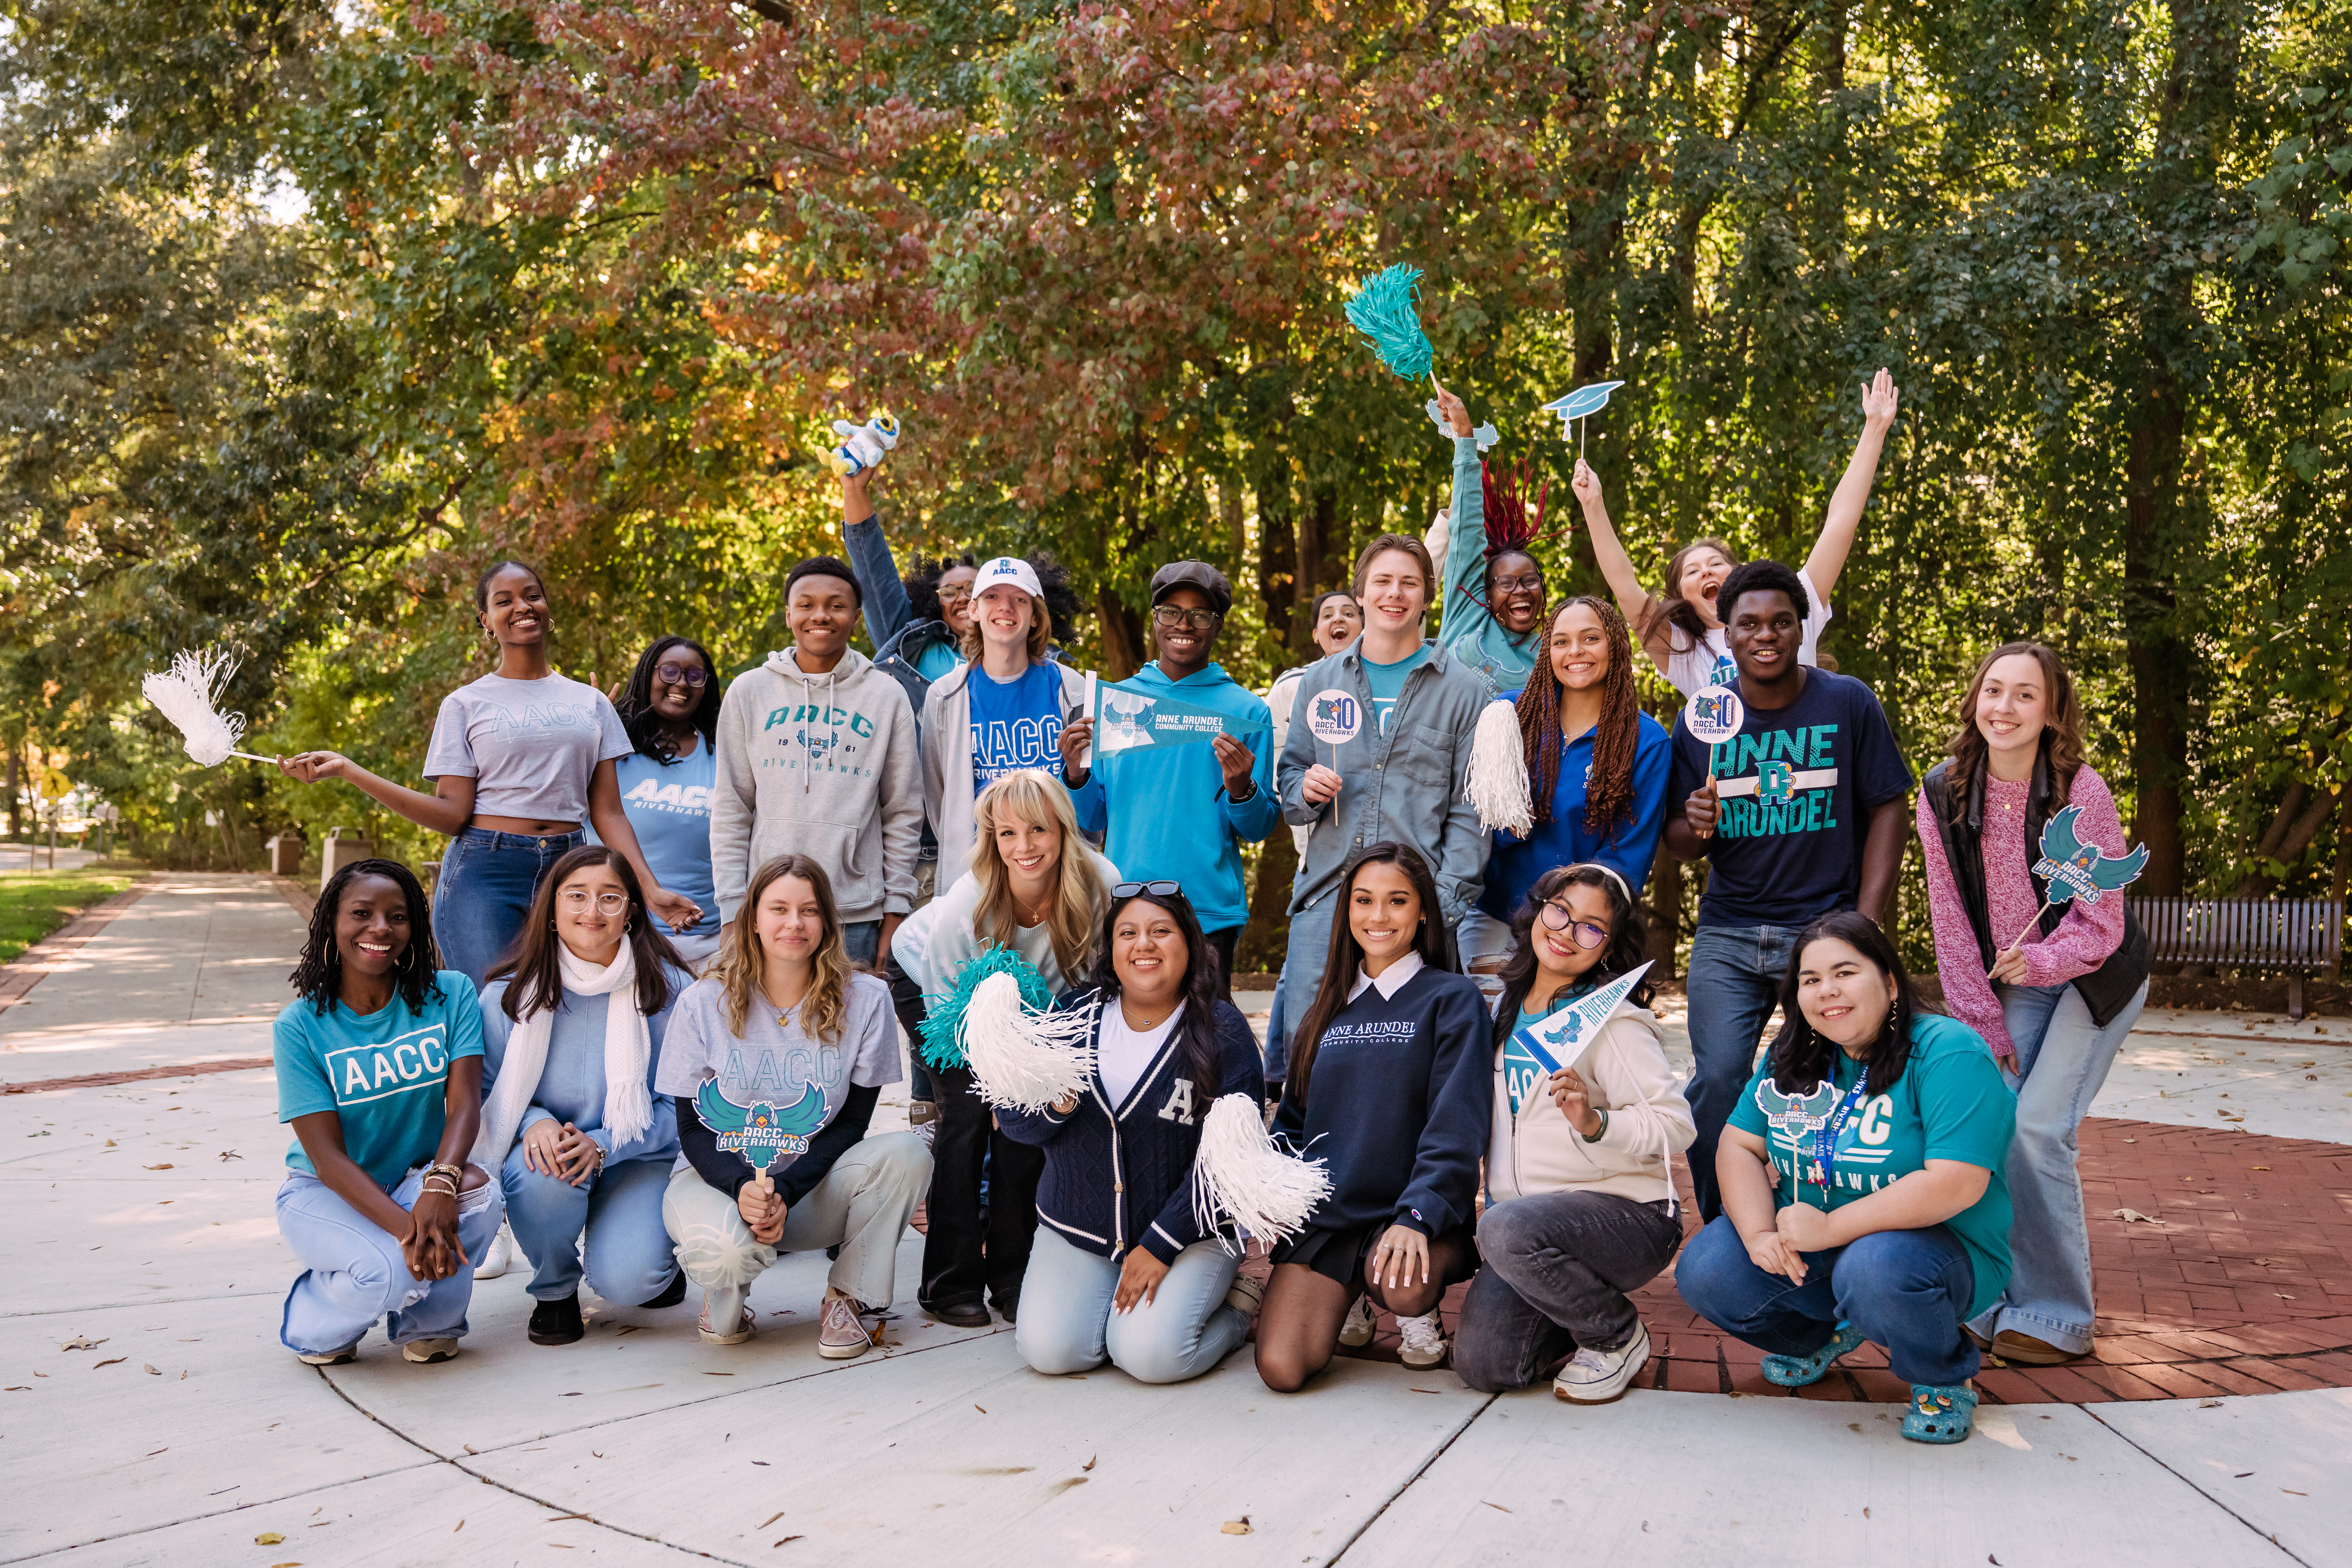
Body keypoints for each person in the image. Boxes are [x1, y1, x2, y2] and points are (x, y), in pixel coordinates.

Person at [1675, 912, 2015, 1444]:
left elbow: (1955, 1183)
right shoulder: (1794, 1055)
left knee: (1877, 1268)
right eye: (1810, 980)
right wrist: (1760, 1235)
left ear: (1890, 981)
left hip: (1938, 1252)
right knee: (1708, 1270)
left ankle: (1942, 1376)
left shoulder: (1949, 1051)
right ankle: (1821, 1336)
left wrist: (1829, 1230)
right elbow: (1739, 1145)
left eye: (1845, 972)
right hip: (1819, 1241)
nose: (1826, 991)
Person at [277, 561, 698, 986]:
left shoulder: (590, 704)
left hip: (570, 870)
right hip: (485, 871)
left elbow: (609, 814)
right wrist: (351, 771)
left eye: (532, 595)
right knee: (492, 1010)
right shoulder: (465, 704)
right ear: (487, 621)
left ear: (548, 608)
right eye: (505, 601)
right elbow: (451, 814)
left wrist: (649, 888)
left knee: (566, 1004)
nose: (522, 606)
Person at [1917, 642, 2150, 1366]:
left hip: (2092, 978)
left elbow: (2101, 924)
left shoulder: (2080, 791)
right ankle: (1991, 1294)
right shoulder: (1942, 791)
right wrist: (1981, 1019)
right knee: (1993, 1123)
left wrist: (2041, 958)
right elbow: (1950, 918)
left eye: (2025, 695)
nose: (2005, 708)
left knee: (2039, 1128)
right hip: (2015, 984)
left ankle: (2057, 1316)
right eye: (1993, 691)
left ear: (2050, 711)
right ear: (1973, 699)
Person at [1662, 560, 1912, 1221]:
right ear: (1727, 630)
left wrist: (1865, 920)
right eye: (1748, 623)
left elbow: (1890, 804)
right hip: (1728, 928)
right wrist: (1693, 825)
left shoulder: (1845, 702)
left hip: (1823, 929)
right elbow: (1680, 845)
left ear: (1801, 628)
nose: (1764, 635)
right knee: (1716, 1082)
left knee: (1831, 1084)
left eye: (1780, 622)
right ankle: (1729, 1226)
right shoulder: (1702, 720)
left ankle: (1836, 1218)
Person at [655, 854, 929, 1357]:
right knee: (724, 1267)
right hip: (718, 1181)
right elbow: (692, 1130)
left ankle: (848, 1296)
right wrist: (743, 1189)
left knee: (909, 1156)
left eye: (808, 910)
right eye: (778, 908)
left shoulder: (866, 999)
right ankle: (727, 1287)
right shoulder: (703, 1001)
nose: (794, 923)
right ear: (753, 920)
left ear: (827, 922)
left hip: (810, 1191)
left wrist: (784, 1188)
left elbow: (851, 1123)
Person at [997, 883, 1267, 1383]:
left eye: (1161, 932)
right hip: (1081, 1225)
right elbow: (1014, 1124)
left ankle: (1236, 1313)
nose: (1144, 945)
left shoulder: (1223, 1033)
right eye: (1129, 933)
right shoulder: (1073, 1015)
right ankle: (1114, 1314)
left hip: (1189, 1233)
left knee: (1150, 1357)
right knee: (1053, 1352)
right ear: (1112, 949)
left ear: (1188, 944)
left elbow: (1234, 1164)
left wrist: (1162, 1244)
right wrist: (1056, 1104)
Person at [1454, 864, 1694, 1403]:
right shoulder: (1502, 1009)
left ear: (1608, 947)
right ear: (1538, 911)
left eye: (1591, 927)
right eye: (1560, 912)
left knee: (1503, 1228)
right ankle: (1571, 1298)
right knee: (1485, 1365)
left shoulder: (1613, 1021)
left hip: (1628, 1215)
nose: (1566, 932)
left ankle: (1615, 1334)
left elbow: (1677, 1125)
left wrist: (1596, 1123)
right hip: (1532, 1230)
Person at [1254, 844, 1491, 1390]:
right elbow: (1293, 1122)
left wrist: (1418, 1214)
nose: (1378, 917)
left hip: (1414, 1217)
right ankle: (1351, 1293)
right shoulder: (1326, 1008)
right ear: (1347, 912)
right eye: (1364, 901)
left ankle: (1411, 1307)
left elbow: (1457, 1125)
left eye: (1397, 901)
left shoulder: (1451, 999)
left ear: (1423, 911)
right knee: (1282, 1369)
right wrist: (1273, 1194)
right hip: (1332, 1217)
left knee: (1404, 1284)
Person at [1272, 533, 1490, 1105]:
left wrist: (1438, 905)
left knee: (1406, 1069)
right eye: (1383, 582)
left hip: (1415, 907)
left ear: (1426, 597)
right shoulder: (1321, 681)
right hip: (1326, 900)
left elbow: (1472, 813)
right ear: (1362, 594)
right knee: (1309, 1058)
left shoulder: (1464, 691)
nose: (1396, 593)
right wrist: (1307, 790)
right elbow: (1290, 787)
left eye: (1409, 583)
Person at [271, 859, 502, 1366]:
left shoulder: (450, 994)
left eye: (397, 916)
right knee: (392, 1272)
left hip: (415, 1177)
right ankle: (317, 1322)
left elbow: (465, 1102)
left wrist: (441, 1185)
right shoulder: (300, 1026)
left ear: (414, 926)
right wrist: (410, 1230)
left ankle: (431, 1325)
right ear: (332, 921)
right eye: (362, 913)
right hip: (325, 1190)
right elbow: (327, 1158)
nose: (380, 928)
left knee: (481, 1195)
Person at [911, 769, 1120, 1326]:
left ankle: (1012, 1276)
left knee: (1029, 1131)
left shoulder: (1099, 882)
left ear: (1063, 829)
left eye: (1037, 830)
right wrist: (999, 1087)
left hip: (1040, 1010)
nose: (1023, 848)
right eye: (1007, 834)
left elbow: (1098, 985)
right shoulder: (969, 902)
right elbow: (944, 1001)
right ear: (991, 840)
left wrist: (1036, 1083)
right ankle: (947, 1281)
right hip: (945, 1000)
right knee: (968, 1120)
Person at [475, 845, 694, 1346]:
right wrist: (533, 1122)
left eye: (609, 898)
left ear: (632, 913)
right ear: (551, 910)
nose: (592, 912)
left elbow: (686, 1107)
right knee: (545, 1175)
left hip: (636, 1155)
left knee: (631, 1282)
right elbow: (486, 1092)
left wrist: (602, 1144)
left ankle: (648, 1257)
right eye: (576, 896)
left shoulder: (671, 991)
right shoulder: (506, 996)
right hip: (547, 1157)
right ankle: (554, 1291)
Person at [1572, 369, 1900, 696]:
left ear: (1738, 574)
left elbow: (1840, 524)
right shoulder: (1684, 652)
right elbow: (1624, 584)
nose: (1707, 572)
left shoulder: (1793, 606)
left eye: (1715, 563)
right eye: (1693, 571)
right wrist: (1594, 504)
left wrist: (1874, 430)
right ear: (1681, 596)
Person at [1057, 561, 1278, 996]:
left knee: (1207, 1048)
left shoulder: (1248, 711)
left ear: (1217, 627)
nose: (1184, 624)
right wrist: (1075, 774)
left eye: (1200, 615)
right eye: (1171, 611)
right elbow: (1093, 817)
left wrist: (1242, 789)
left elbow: (1258, 828)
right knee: (1128, 1044)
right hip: (1126, 905)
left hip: (1207, 911)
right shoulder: (1117, 702)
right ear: (1155, 620)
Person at [708, 555, 922, 972]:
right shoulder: (749, 692)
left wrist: (896, 909)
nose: (820, 615)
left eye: (836, 605)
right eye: (806, 605)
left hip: (856, 913)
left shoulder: (886, 696)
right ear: (789, 616)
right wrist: (734, 910)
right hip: (766, 913)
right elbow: (732, 808)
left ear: (856, 617)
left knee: (846, 1033)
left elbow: (903, 811)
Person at [1458, 595, 1671, 998]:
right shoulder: (1509, 716)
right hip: (1496, 918)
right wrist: (1515, 815)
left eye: (1591, 638)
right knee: (1483, 1045)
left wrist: (1563, 920)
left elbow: (1626, 860)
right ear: (1547, 651)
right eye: (1561, 641)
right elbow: (1477, 828)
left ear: (1616, 646)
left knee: (1557, 1055)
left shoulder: (1646, 742)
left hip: (1580, 932)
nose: (1575, 652)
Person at [920, 557, 1091, 874]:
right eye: (992, 597)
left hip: (1058, 868)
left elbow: (1091, 798)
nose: (1005, 607)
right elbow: (939, 798)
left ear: (1035, 617)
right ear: (974, 610)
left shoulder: (1072, 688)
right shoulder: (944, 697)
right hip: (980, 870)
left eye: (1019, 599)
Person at [1261, 589, 1363, 1085]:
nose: (1339, 620)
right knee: (1303, 968)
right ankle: (1282, 1074)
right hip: (1316, 857)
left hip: (1370, 857)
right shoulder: (1294, 690)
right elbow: (1284, 774)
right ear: (1318, 634)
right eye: (1328, 616)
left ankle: (1286, 1071)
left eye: (1350, 613)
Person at [605, 637, 725, 966]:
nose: (682, 684)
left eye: (695, 676)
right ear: (648, 676)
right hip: (622, 938)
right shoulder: (609, 749)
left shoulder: (725, 756)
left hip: (711, 945)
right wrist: (586, 731)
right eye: (669, 672)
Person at [1429, 380, 1549, 698]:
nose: (1520, 590)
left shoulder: (1552, 655)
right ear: (1488, 593)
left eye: (1530, 581)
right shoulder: (1466, 614)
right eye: (1506, 583)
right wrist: (1465, 439)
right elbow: (1467, 530)